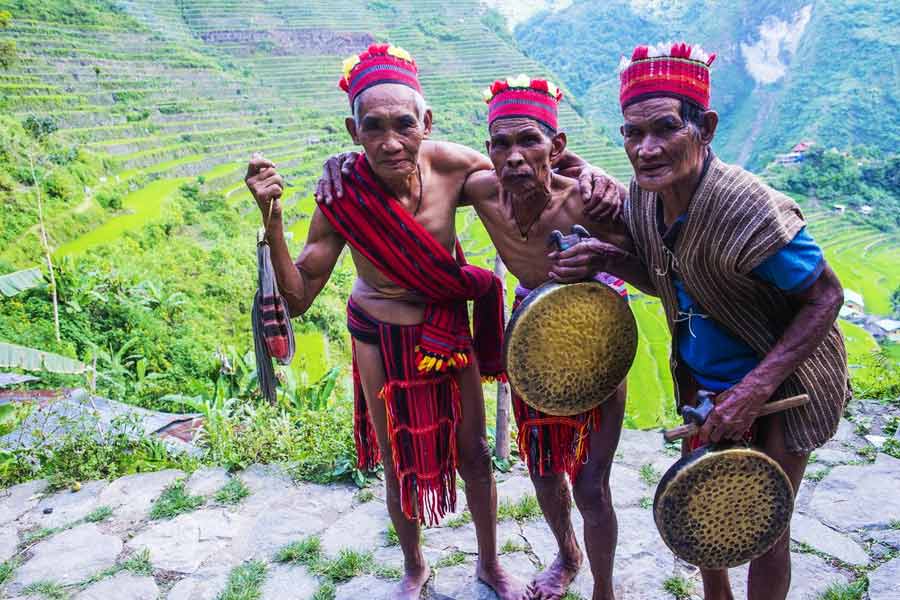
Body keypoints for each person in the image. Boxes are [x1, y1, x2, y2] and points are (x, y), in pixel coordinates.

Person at [551, 42, 850, 600]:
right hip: (704, 384)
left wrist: (754, 390)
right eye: (632, 134)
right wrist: (608, 256)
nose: (646, 148)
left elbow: (827, 297)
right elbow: (666, 276)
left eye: (665, 128)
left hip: (785, 383)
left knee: (764, 527)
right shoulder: (646, 197)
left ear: (705, 127)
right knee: (701, 509)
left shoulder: (749, 209)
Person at [320, 74, 636, 600]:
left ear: (556, 146)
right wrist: (342, 164)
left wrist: (603, 236)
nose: (514, 157)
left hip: (598, 333)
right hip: (533, 332)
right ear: (487, 151)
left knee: (591, 485)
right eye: (501, 144)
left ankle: (604, 590)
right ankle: (567, 554)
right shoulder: (482, 189)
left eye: (530, 141)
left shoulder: (592, 202)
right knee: (543, 471)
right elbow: (395, 169)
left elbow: (650, 261)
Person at [244, 43, 526, 600]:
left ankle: (490, 563)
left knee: (474, 454)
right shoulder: (342, 193)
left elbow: (528, 170)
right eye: (374, 127)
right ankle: (414, 566)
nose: (390, 141)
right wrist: (272, 219)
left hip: (445, 332)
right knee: (396, 457)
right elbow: (298, 296)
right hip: (377, 338)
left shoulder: (456, 165)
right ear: (354, 131)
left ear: (427, 122)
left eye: (404, 125)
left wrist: (585, 180)